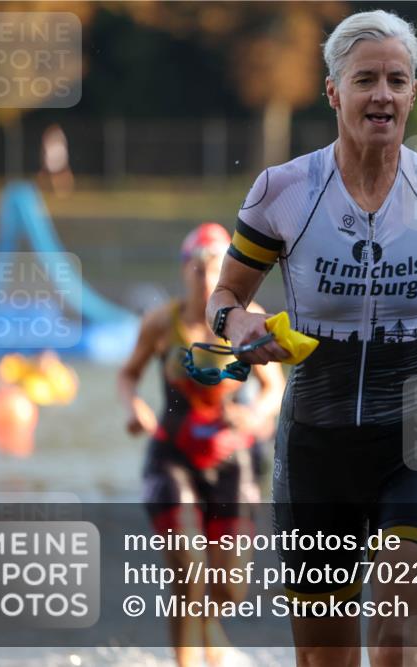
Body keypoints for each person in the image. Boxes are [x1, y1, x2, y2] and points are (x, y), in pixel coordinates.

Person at [207, 9, 417, 666]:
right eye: (366, 80)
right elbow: (225, 296)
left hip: (415, 439)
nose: (382, 95)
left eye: (397, 79)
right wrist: (237, 323)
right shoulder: (281, 191)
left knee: (395, 639)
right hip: (316, 447)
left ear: (413, 92)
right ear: (334, 92)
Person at [118, 222, 285, 667]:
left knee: (231, 587)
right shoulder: (163, 322)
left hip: (233, 458)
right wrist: (133, 406)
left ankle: (208, 628)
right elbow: (127, 374)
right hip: (172, 457)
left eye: (214, 265)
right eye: (196, 266)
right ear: (184, 271)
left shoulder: (250, 320)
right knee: (187, 567)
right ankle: (186, 660)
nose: (205, 275)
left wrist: (256, 414)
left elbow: (275, 386)